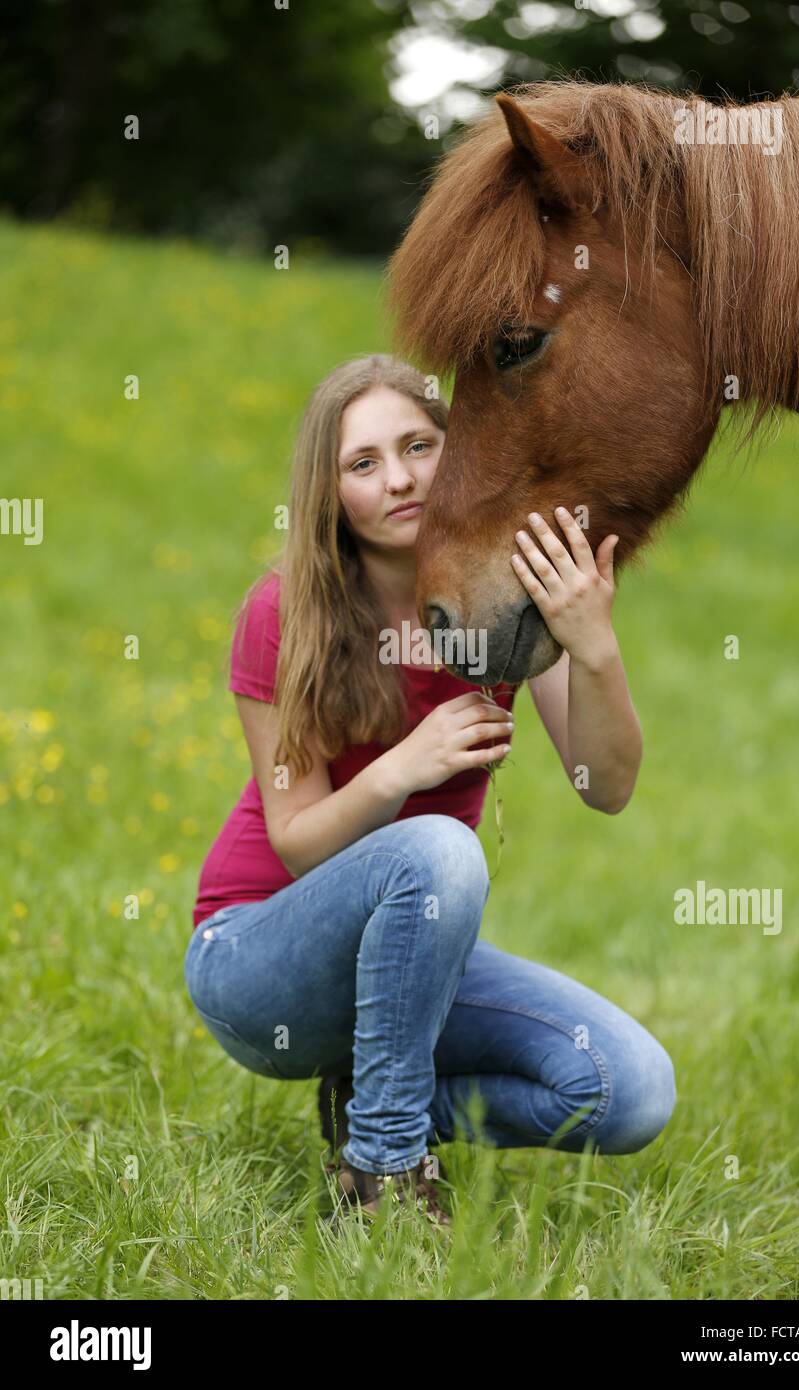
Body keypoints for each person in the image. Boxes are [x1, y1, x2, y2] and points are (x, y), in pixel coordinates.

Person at [184, 353, 676, 1227]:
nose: (401, 478)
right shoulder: (283, 612)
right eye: (363, 463)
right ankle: (383, 1176)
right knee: (439, 846)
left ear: (459, 453)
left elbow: (607, 786)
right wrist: (406, 766)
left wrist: (590, 644)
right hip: (257, 959)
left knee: (629, 1091)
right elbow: (294, 837)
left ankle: (384, 1107)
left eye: (420, 445)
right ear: (329, 493)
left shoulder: (503, 601)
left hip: (412, 955)